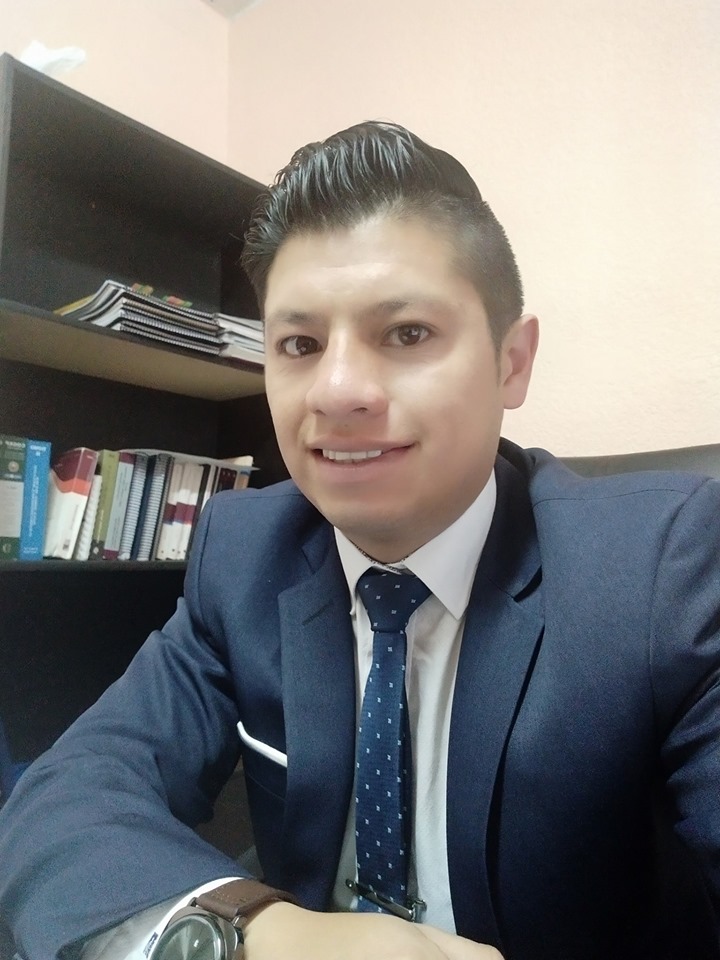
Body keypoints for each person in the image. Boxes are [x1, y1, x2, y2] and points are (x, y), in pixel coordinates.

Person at [0, 120, 719, 960]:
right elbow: (66, 796)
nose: (337, 391)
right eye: (300, 344)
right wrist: (264, 935)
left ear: (512, 363)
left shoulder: (661, 565)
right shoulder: (244, 553)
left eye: (407, 333)